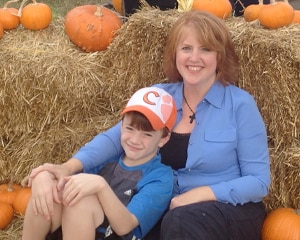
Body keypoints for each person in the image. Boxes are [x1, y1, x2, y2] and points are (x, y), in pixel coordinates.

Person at [27, 10, 270, 240]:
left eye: (205, 49)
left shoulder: (240, 105)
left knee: (179, 221)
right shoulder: (159, 96)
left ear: (220, 55)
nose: (194, 58)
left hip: (225, 209)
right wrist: (68, 168)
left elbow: (258, 182)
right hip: (162, 205)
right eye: (186, 48)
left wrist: (201, 194)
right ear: (175, 54)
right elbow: (114, 138)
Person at [22, 86, 177, 240]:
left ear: (164, 139)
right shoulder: (107, 159)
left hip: (115, 235)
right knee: (50, 193)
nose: (135, 140)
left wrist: (101, 186)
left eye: (147, 134)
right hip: (76, 230)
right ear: (121, 126)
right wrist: (43, 176)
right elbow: (63, 183)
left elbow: (125, 226)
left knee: (81, 200)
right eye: (130, 128)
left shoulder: (161, 177)